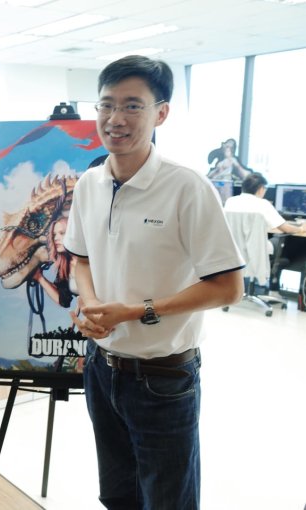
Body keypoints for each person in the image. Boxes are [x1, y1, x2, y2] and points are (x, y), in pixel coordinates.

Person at [63, 55, 244, 510]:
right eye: (106, 105)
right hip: (102, 368)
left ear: (161, 113)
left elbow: (228, 287)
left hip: (163, 378)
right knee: (117, 496)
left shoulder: (187, 187)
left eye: (132, 106)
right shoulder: (88, 184)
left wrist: (137, 311)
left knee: (167, 501)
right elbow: (80, 258)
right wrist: (90, 303)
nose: (115, 118)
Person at [224, 172, 306, 235]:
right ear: (261, 189)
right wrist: (301, 229)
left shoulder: (230, 201)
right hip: (257, 248)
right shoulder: (263, 204)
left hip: (234, 249)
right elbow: (286, 229)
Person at [33, 216, 76, 308]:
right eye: (54, 235)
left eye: (62, 233)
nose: (56, 238)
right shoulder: (65, 267)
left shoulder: (91, 259)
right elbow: (63, 300)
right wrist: (39, 277)